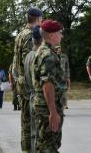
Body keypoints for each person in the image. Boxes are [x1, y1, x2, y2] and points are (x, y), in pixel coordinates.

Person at [31, 19, 65, 152]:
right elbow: (47, 84)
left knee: (44, 144)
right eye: (59, 33)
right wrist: (53, 112)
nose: (61, 36)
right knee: (48, 147)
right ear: (51, 35)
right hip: (47, 108)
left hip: (43, 106)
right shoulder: (48, 55)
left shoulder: (42, 51)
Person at [12, 7, 42, 153]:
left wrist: (17, 79)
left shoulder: (19, 34)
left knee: (25, 123)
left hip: (21, 82)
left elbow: (14, 63)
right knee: (32, 124)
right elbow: (30, 63)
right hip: (29, 85)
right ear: (38, 18)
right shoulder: (30, 35)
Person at [24, 25, 42, 153]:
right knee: (42, 136)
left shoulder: (28, 56)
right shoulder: (39, 56)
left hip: (31, 96)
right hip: (40, 99)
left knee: (33, 133)